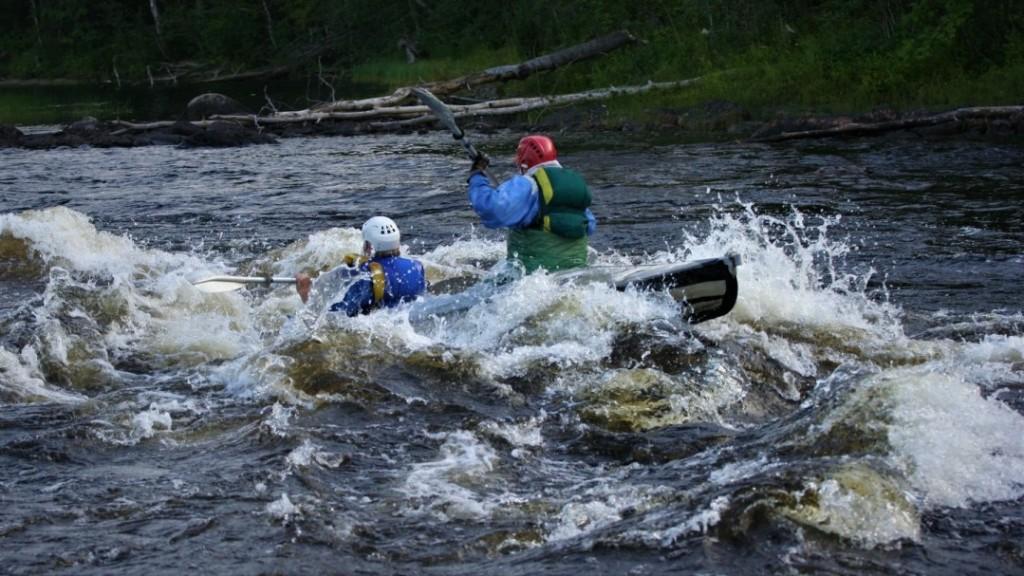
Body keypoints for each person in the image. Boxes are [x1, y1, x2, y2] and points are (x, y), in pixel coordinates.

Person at [467, 135, 596, 273]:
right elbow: (590, 226)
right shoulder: (575, 184)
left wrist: (477, 176)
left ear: (524, 163)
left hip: (534, 275)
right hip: (575, 272)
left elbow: (491, 210)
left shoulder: (527, 184)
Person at [295, 216, 426, 316]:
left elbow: (332, 318)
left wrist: (305, 293)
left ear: (368, 246)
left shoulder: (365, 276)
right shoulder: (417, 267)